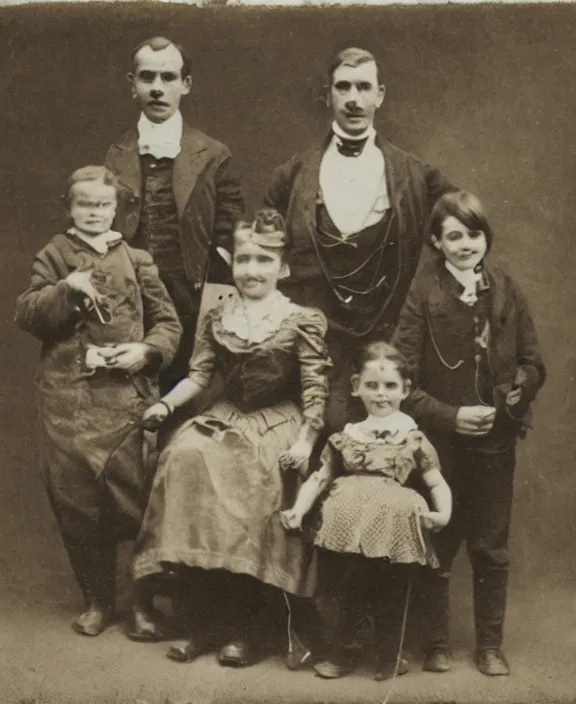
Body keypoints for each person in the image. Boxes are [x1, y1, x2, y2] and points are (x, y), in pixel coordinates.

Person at [132, 209, 332, 668]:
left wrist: (305, 439)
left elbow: (315, 390)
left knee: (255, 478)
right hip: (227, 413)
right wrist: (167, 404)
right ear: (232, 263)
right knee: (183, 457)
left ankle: (247, 629)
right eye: (243, 259)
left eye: (264, 260)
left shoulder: (302, 318)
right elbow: (199, 375)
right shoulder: (219, 313)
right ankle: (203, 623)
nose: (252, 270)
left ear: (282, 268)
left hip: (279, 420)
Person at [14, 166, 182, 638]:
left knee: (137, 502)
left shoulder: (138, 258)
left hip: (126, 398)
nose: (94, 213)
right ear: (70, 207)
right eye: (85, 204)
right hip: (69, 400)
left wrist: (146, 352)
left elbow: (168, 323)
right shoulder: (54, 253)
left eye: (104, 205)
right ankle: (97, 601)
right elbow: (27, 313)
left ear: (118, 210)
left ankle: (142, 603)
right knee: (78, 503)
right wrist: (67, 289)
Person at [392, 191, 546, 677]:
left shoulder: (507, 290)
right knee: (438, 540)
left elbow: (533, 361)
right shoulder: (422, 294)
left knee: (491, 547)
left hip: (496, 444)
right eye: (453, 235)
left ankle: (490, 647)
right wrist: (449, 416)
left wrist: (520, 388)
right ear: (437, 241)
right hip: (439, 447)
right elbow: (402, 382)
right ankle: (436, 643)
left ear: (486, 237)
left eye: (473, 233)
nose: (465, 244)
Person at [265, 46, 456, 433]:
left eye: (364, 87)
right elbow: (264, 249)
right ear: (328, 94)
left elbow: (462, 225)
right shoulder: (292, 174)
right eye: (344, 87)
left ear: (380, 95)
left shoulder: (414, 174)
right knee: (319, 429)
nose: (354, 99)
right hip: (316, 337)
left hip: (387, 331)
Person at [281, 341, 452, 680]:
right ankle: (344, 653)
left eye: (390, 386)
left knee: (390, 589)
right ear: (356, 386)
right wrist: (299, 510)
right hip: (348, 524)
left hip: (392, 525)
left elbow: (436, 482)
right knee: (345, 589)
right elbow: (320, 477)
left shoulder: (412, 437)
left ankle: (390, 655)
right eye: (372, 385)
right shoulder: (348, 435)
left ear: (405, 389)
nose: (381, 394)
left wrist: (443, 513)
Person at [105, 35, 244, 391]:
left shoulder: (214, 155)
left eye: (168, 78)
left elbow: (230, 234)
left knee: (184, 394)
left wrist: (211, 299)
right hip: (130, 298)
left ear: (186, 84)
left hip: (191, 301)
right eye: (147, 77)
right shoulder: (116, 153)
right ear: (131, 85)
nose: (157, 88)